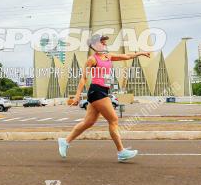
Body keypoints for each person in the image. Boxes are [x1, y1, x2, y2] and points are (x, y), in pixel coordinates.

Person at [58, 34, 150, 162]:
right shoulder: (92, 59)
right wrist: (77, 96)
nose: (105, 44)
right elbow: (84, 78)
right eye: (102, 42)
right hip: (97, 91)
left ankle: (65, 141)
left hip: (102, 91)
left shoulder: (108, 56)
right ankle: (121, 151)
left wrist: (141, 53)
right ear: (95, 45)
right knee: (113, 119)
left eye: (105, 42)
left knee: (88, 122)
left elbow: (126, 56)